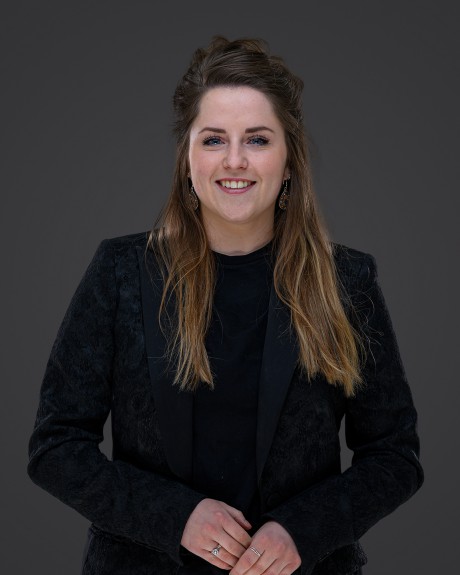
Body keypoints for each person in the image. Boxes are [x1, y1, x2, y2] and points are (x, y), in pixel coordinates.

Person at [27, 36, 424, 575]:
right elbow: (55, 447)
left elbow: (395, 456)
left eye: (257, 139)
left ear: (289, 160)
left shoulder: (346, 281)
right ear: (186, 159)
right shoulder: (120, 272)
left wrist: (302, 531)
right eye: (214, 139)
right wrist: (174, 517)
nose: (235, 160)